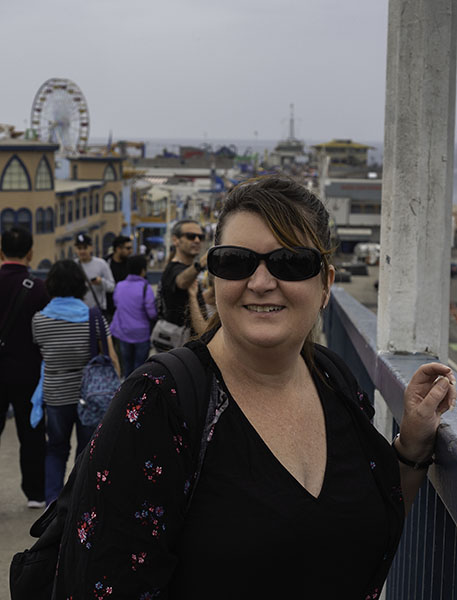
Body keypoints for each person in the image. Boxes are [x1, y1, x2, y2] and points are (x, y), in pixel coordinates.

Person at [54, 176, 456, 599]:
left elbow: (374, 516)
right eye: (235, 261)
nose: (261, 282)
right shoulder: (159, 402)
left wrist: (412, 444)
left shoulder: (333, 379)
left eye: (291, 262)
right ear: (213, 278)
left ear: (326, 285)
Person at [31, 260, 120, 506]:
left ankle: (52, 499)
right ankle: (81, 498)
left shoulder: (39, 320)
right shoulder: (95, 318)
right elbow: (112, 358)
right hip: (90, 396)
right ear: (80, 285)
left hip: (56, 393)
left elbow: (41, 352)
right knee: (87, 450)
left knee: (56, 448)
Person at [0, 227, 49, 509]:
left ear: (1, 251)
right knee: (30, 432)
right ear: (31, 253)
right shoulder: (38, 288)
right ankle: (35, 493)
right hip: (27, 371)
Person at [153, 219, 208, 349]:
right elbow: (182, 281)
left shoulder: (183, 268)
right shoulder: (173, 269)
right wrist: (200, 264)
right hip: (178, 344)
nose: (197, 240)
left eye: (200, 237)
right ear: (175, 240)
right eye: (190, 236)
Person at [110, 254, 157, 377]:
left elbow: (117, 304)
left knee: (127, 367)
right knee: (139, 369)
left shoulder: (119, 286)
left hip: (123, 332)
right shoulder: (146, 288)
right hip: (141, 334)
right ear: (143, 270)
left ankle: (125, 391)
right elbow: (152, 313)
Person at [74, 233, 115, 313]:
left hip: (97, 310)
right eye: (79, 248)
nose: (82, 251)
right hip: (78, 310)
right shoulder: (73, 265)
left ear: (91, 248)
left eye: (85, 248)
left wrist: (101, 282)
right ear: (76, 250)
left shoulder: (101, 264)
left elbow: (112, 287)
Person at [105, 235, 134, 320]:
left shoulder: (131, 264)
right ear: (118, 249)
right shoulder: (105, 263)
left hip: (127, 310)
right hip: (109, 309)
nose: (131, 251)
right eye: (128, 248)